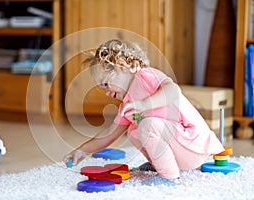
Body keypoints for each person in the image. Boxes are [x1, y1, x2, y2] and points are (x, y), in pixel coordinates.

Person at [63, 39, 224, 186]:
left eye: (106, 84)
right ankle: (159, 164)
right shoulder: (127, 105)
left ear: (122, 66)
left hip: (192, 143)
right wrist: (82, 150)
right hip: (180, 151)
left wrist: (144, 104)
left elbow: (173, 90)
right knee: (133, 130)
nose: (106, 92)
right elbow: (110, 133)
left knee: (147, 124)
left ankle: (170, 176)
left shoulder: (146, 76)